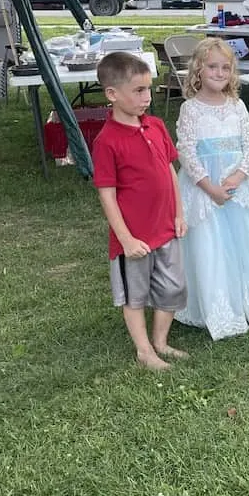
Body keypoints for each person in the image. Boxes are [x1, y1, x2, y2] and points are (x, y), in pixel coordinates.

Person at [173, 38, 249, 339]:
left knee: (246, 241)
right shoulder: (191, 109)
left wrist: (238, 177)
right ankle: (217, 304)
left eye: (225, 68)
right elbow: (186, 152)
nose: (219, 73)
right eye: (212, 67)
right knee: (210, 244)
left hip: (238, 186)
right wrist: (209, 187)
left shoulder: (237, 106)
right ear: (198, 70)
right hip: (205, 188)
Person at [92, 52, 189, 370]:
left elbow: (170, 170)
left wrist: (178, 213)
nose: (147, 97)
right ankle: (144, 351)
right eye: (138, 91)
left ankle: (161, 341)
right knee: (135, 295)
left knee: (173, 287)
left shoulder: (156, 126)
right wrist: (126, 238)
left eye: (149, 89)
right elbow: (106, 194)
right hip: (133, 238)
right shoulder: (107, 141)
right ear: (112, 94)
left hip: (166, 228)